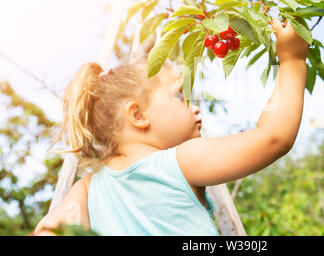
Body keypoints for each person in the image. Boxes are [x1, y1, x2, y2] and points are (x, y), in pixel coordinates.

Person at [33, 18, 309, 235]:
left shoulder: (87, 190)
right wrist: (292, 61)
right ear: (138, 115)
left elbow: (47, 232)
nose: (194, 106)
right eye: (179, 95)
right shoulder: (182, 160)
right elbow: (273, 137)